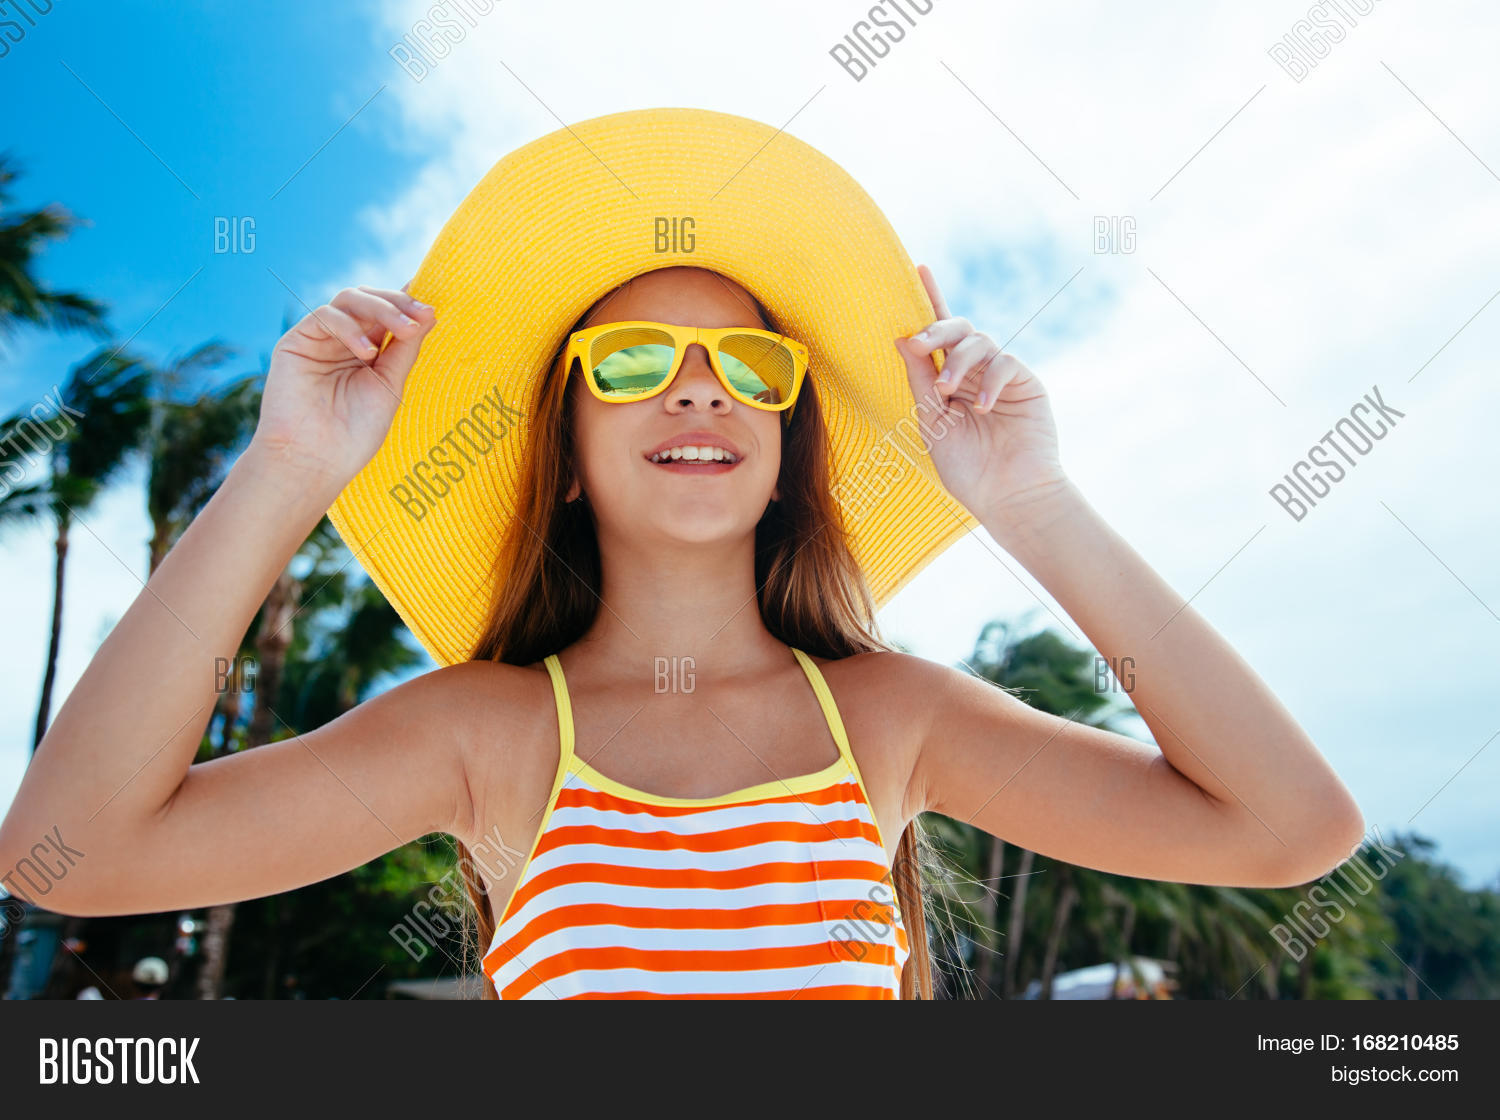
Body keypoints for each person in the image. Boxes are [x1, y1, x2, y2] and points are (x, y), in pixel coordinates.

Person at [0, 108, 1363, 999]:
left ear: (787, 440)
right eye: (633, 360)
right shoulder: (482, 731)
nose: (699, 387)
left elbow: (1292, 830)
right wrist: (288, 467)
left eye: (750, 364)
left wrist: (1033, 500)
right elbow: (65, 858)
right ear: (566, 448)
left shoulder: (893, 717)